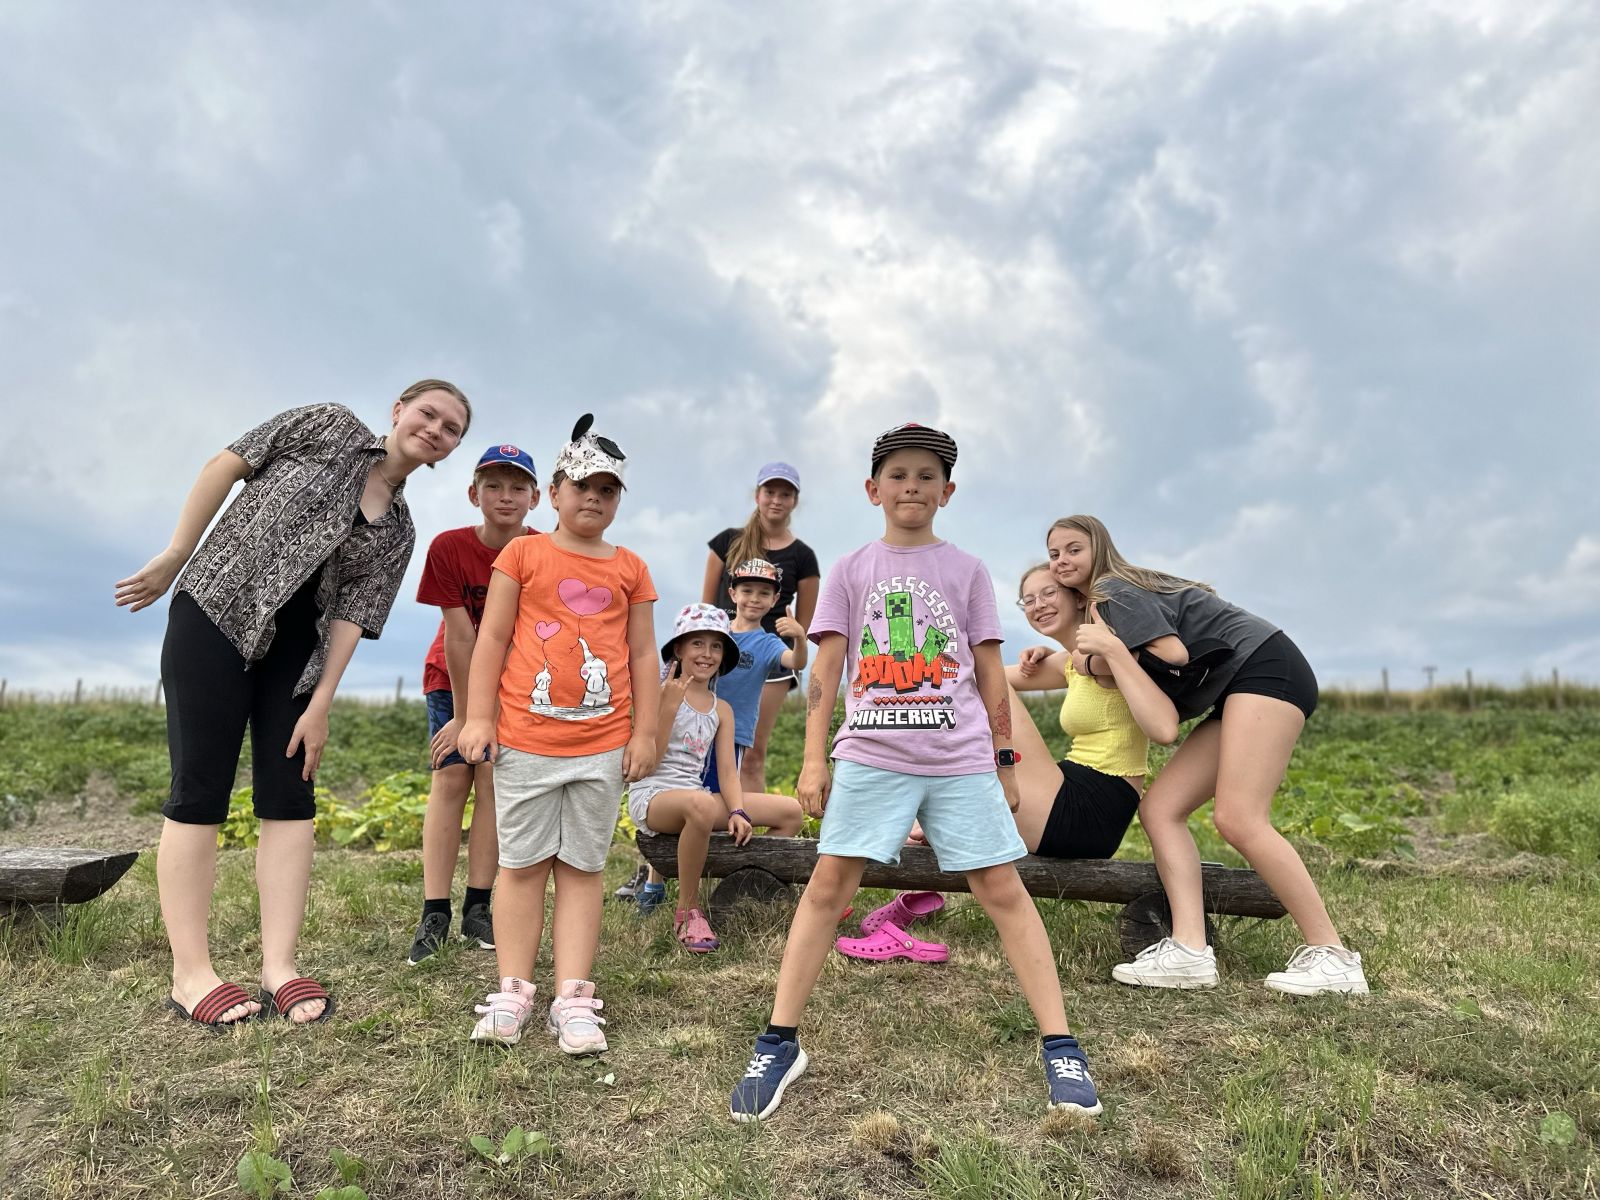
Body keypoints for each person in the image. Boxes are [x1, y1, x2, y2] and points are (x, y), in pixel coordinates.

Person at [727, 423, 1102, 1122]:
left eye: (927, 476)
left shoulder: (967, 571)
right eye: (898, 474)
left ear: (947, 491)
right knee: (828, 887)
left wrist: (1005, 760)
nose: (912, 486)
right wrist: (813, 758)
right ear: (873, 490)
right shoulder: (850, 569)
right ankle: (778, 1041)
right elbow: (827, 669)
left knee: (1001, 888)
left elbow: (989, 672)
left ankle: (1061, 1045)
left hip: (960, 759)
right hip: (871, 755)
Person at [115, 381, 471, 1026]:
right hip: (215, 611)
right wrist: (176, 555)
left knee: (290, 794)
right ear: (398, 411)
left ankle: (279, 966)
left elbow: (353, 617)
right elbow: (227, 464)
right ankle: (190, 974)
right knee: (199, 789)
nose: (436, 430)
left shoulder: (399, 530)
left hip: (297, 655)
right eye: (428, 413)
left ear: (450, 450)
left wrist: (322, 703)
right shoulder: (327, 425)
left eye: (451, 429)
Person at [1049, 514, 1368, 995]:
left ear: (1100, 548)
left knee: (1239, 818)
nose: (1061, 560)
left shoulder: (1113, 591)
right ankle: (1190, 951)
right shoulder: (1105, 607)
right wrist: (1091, 659)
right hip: (1239, 686)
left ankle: (1334, 956)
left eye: (1074, 549)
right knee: (1161, 809)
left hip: (1266, 668)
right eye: (1054, 553)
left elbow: (1172, 655)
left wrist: (1103, 655)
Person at [840, 560, 1180, 960]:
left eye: (1049, 593)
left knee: (985, 682)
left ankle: (918, 799)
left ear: (1078, 597)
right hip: (1070, 791)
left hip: (1090, 808)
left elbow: (984, 677)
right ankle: (918, 848)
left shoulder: (1107, 655)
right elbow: (968, 676)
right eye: (1028, 600)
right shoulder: (1071, 662)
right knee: (962, 684)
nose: (1039, 605)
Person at [456, 415, 659, 1053]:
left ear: (618, 500)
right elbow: (493, 637)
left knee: (582, 869)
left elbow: (644, 655)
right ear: (554, 492)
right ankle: (513, 990)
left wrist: (644, 733)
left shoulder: (632, 568)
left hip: (602, 747)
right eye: (581, 486)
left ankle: (573, 997)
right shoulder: (523, 554)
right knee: (521, 866)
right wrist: (479, 717)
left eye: (607, 490)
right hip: (525, 741)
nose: (593, 498)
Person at [406, 444, 541, 965]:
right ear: (473, 493)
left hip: (513, 685)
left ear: (535, 498)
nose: (505, 496)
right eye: (493, 486)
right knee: (451, 778)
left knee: (492, 783)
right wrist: (466, 717)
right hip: (453, 678)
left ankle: (478, 906)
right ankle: (434, 910)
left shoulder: (543, 550)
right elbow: (461, 637)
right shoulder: (449, 547)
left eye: (517, 487)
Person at [632, 560, 806, 916]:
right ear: (679, 649)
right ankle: (674, 898)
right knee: (698, 804)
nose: (707, 654)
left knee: (787, 811)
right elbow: (648, 763)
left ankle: (740, 884)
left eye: (716, 647)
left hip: (708, 772)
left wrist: (738, 810)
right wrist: (669, 706)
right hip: (657, 792)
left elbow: (728, 772)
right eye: (697, 644)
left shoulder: (723, 704)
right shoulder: (661, 691)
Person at [702, 463, 820, 795]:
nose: (776, 500)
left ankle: (749, 819)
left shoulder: (803, 557)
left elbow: (803, 623)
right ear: (758, 495)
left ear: (795, 500)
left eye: (785, 494)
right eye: (770, 492)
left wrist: (796, 641)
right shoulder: (726, 542)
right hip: (720, 653)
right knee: (704, 739)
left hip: (770, 659)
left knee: (751, 751)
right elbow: (706, 608)